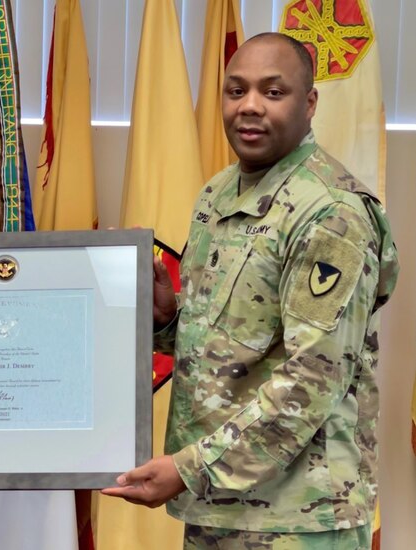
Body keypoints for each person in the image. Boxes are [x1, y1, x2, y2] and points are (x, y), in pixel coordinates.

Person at [102, 33, 399, 549]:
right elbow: (234, 340)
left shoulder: (331, 213)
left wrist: (191, 468)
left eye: (273, 92)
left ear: (310, 103)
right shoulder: (217, 194)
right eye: (236, 90)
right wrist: (168, 319)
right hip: (219, 503)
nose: (250, 106)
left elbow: (312, 379)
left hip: (298, 518)